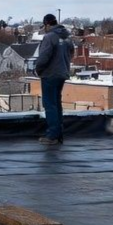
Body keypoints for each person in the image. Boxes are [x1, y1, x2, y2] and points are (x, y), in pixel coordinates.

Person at [35, 13, 75, 145]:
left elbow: (44, 57)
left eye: (44, 26)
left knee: (50, 104)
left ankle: (52, 136)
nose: (44, 29)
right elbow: (71, 53)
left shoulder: (50, 37)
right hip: (62, 74)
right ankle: (59, 134)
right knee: (57, 104)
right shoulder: (67, 37)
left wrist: (38, 69)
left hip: (50, 75)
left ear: (47, 24)